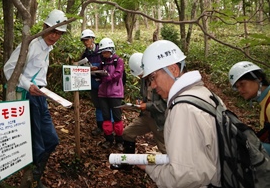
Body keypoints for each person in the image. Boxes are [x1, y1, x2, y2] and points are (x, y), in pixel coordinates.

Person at [138, 40, 221, 187]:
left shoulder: (184, 109)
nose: (152, 85)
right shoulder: (205, 94)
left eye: (153, 77)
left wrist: (150, 168)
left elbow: (184, 177)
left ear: (173, 70)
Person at [4, 9, 67, 188]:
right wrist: (27, 85)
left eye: (59, 33)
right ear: (44, 27)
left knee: (51, 139)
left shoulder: (48, 48)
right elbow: (9, 69)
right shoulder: (31, 45)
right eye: (52, 31)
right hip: (27, 96)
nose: (54, 36)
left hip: (40, 96)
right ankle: (32, 180)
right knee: (36, 142)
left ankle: (35, 175)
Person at [111, 52, 167, 170]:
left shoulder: (160, 79)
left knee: (165, 148)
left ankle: (173, 173)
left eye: (141, 74)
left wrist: (147, 106)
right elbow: (145, 96)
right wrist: (139, 103)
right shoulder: (144, 80)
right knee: (127, 133)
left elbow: (164, 104)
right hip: (146, 116)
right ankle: (128, 164)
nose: (141, 77)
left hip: (159, 120)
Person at [228, 61, 270, 154]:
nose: (240, 90)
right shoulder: (265, 100)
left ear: (259, 79)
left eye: (242, 84)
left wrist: (252, 145)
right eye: (237, 87)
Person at [97, 37, 125, 151]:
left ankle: (119, 140)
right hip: (103, 93)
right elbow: (99, 72)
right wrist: (97, 73)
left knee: (117, 118)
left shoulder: (118, 61)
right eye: (102, 52)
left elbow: (118, 74)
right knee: (106, 118)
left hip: (115, 93)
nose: (104, 54)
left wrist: (106, 78)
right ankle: (108, 139)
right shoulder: (102, 61)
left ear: (111, 50)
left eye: (106, 52)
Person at [80, 29, 105, 136]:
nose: (86, 43)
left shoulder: (102, 51)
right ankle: (100, 127)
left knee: (107, 105)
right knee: (98, 105)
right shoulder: (85, 54)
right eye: (84, 41)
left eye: (87, 40)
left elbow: (110, 64)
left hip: (104, 83)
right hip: (93, 83)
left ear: (93, 39)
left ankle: (110, 128)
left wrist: (98, 68)